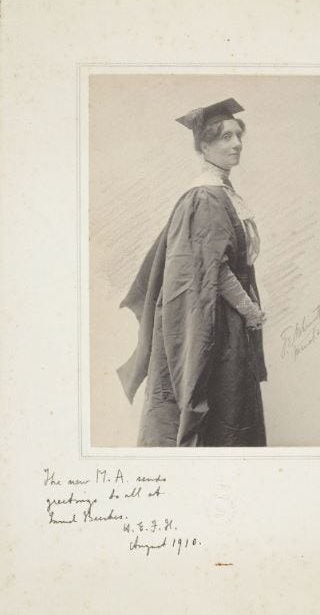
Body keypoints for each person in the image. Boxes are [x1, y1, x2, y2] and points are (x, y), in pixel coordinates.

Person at [117, 98, 268, 447]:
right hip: (216, 325)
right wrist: (250, 311)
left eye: (237, 135)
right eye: (225, 137)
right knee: (218, 408)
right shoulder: (205, 197)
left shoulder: (224, 192)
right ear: (204, 145)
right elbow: (210, 268)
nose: (236, 144)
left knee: (230, 409)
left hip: (227, 322)